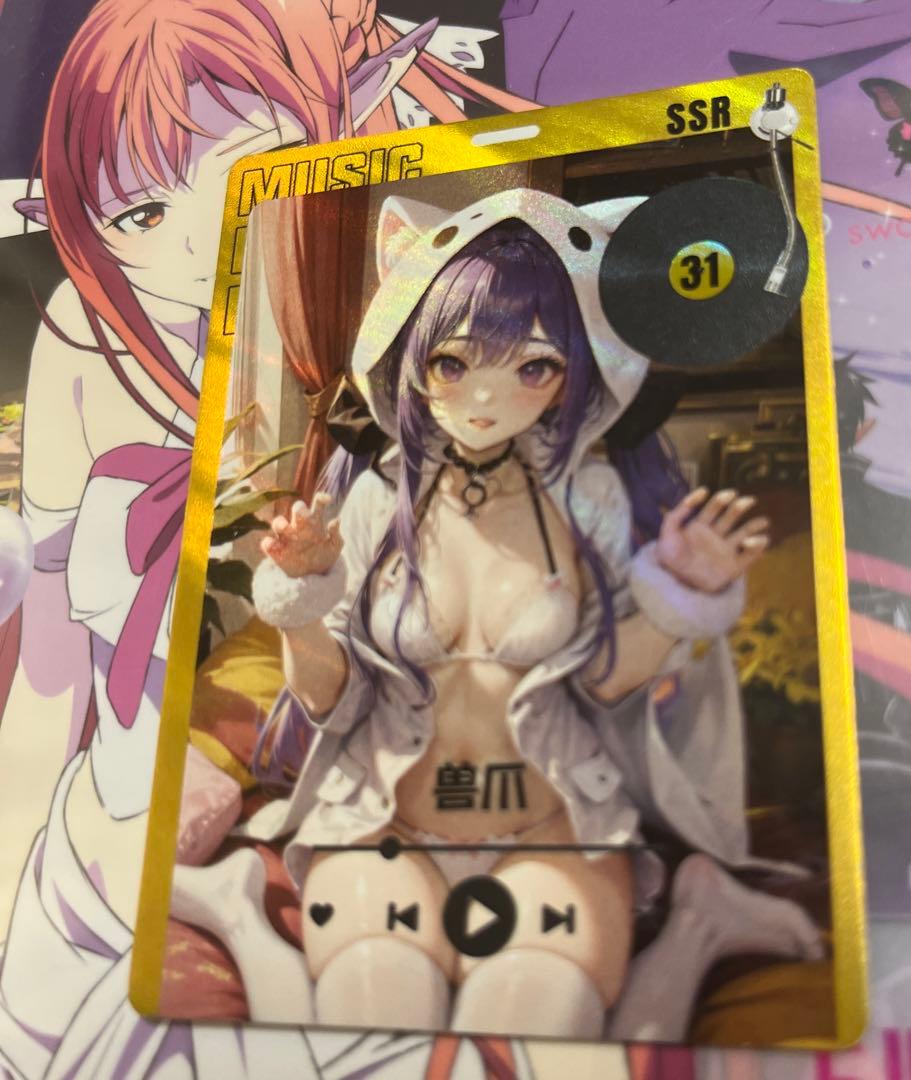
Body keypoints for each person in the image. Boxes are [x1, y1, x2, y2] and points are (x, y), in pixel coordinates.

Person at [0, 1, 530, 1074]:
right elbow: (54, 663)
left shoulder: (370, 345)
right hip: (110, 810)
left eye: (255, 170)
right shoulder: (82, 346)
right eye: (144, 210)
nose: (202, 237)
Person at [174, 190, 823, 1041]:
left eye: (533, 367)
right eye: (451, 363)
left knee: (541, 1023)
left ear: (577, 371)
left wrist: (679, 600)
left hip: (552, 832)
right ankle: (238, 911)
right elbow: (329, 701)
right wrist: (301, 601)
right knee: (373, 1022)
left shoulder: (593, 498)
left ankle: (697, 926)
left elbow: (604, 686)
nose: (484, 397)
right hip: (382, 826)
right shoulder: (371, 501)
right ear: (408, 357)